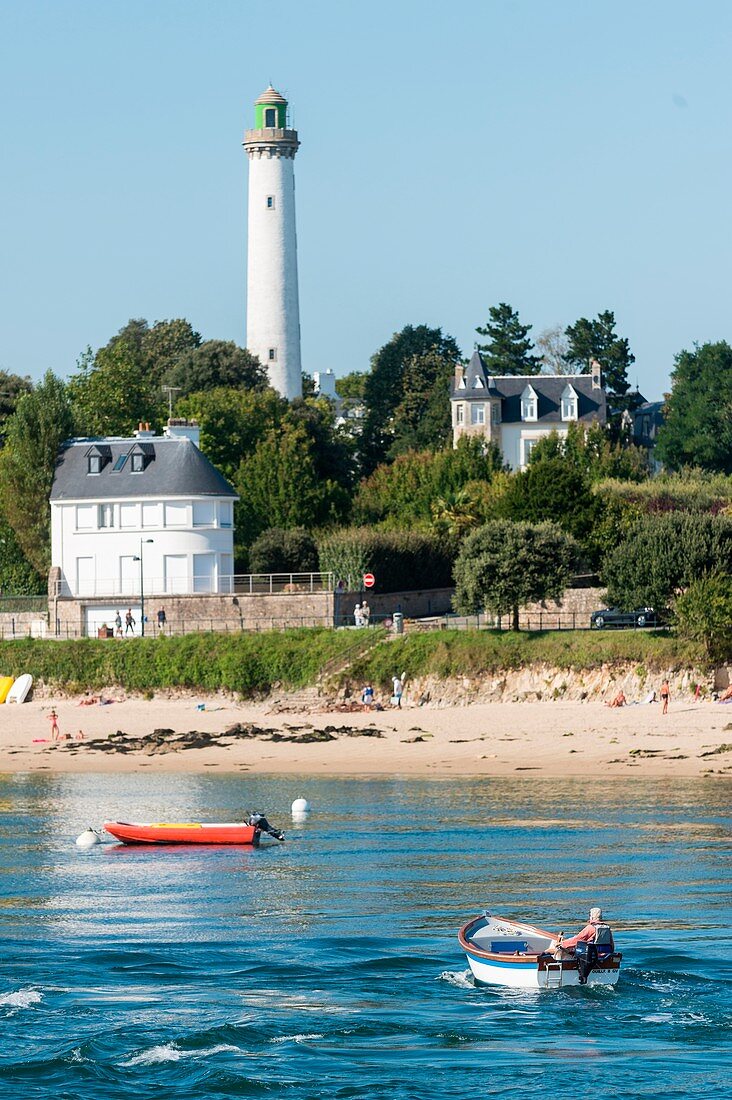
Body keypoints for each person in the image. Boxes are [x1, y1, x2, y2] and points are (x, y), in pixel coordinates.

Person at [554, 907, 615, 983]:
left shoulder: (590, 928)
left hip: (590, 957)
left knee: (560, 950)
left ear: (591, 916)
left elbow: (577, 939)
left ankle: (559, 969)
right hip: (604, 957)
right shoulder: (607, 928)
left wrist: (562, 944)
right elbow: (612, 945)